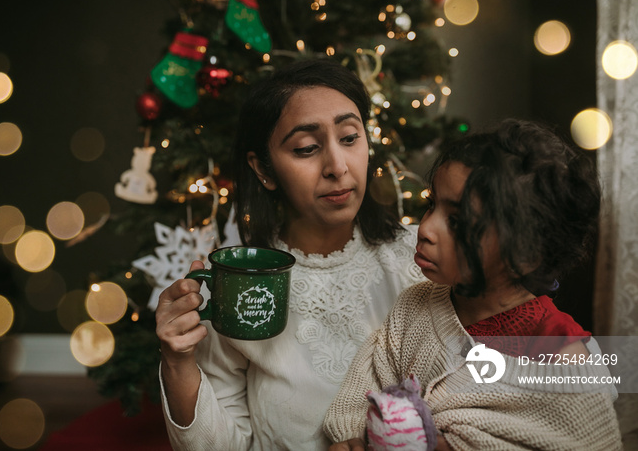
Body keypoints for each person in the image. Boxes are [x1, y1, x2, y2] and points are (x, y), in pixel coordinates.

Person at [155, 59, 426, 450]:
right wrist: (178, 364)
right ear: (263, 170)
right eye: (306, 148)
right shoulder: (240, 286)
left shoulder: (424, 260)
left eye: (350, 138)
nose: (337, 166)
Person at [323, 119, 623, 450]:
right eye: (431, 205)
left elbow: (575, 438)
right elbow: (369, 379)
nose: (425, 229)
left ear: (524, 253)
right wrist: (353, 437)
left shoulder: (562, 353)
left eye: (457, 221)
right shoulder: (415, 306)